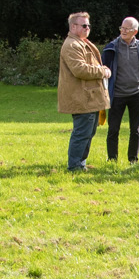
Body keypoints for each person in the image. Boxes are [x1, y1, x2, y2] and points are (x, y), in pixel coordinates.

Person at [58, 11, 110, 171]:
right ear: (73, 26)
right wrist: (103, 71)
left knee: (88, 132)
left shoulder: (81, 42)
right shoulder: (72, 45)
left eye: (89, 25)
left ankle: (80, 163)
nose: (88, 28)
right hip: (82, 97)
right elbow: (79, 70)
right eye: (84, 25)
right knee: (82, 133)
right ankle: (75, 166)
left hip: (89, 97)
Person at [101, 17, 139, 164]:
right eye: (122, 28)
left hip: (138, 94)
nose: (123, 31)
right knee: (113, 130)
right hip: (116, 95)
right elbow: (102, 70)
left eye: (127, 29)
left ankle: (133, 160)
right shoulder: (111, 47)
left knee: (135, 130)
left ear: (135, 31)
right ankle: (112, 160)